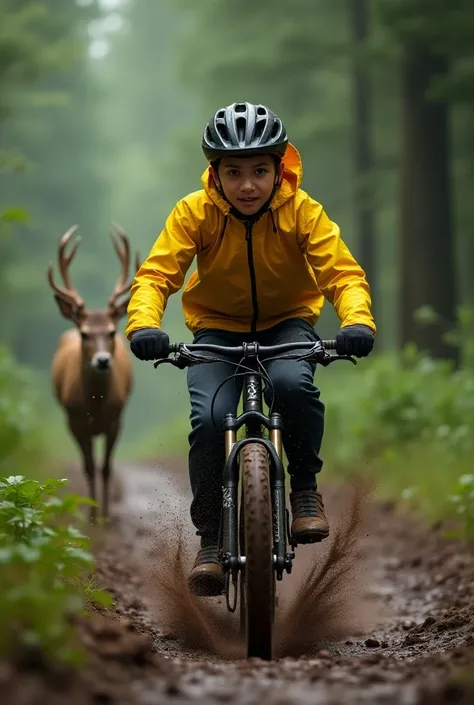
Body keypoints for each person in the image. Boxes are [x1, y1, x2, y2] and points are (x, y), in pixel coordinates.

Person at [125, 102, 376, 597]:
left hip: (287, 325)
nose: (247, 185)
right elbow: (156, 276)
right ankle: (213, 542)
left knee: (292, 384)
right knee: (211, 419)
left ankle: (304, 491)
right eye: (233, 172)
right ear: (214, 173)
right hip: (216, 330)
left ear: (279, 169)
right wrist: (143, 326)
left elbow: (341, 273)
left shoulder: (303, 211)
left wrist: (357, 320)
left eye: (260, 171)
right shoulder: (193, 213)